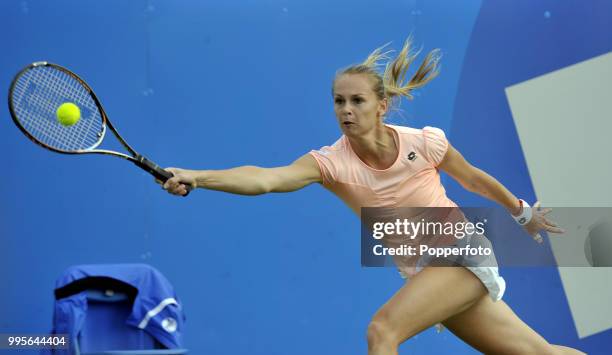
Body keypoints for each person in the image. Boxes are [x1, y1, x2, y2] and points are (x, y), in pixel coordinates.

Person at [159, 38, 585, 355]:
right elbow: (266, 179)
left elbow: (472, 179)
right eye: (339, 101)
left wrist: (522, 212)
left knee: (382, 331)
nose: (346, 109)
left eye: (357, 100)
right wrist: (199, 176)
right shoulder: (330, 163)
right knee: (539, 353)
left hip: (461, 251)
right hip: (424, 271)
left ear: (381, 105)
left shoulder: (425, 142)